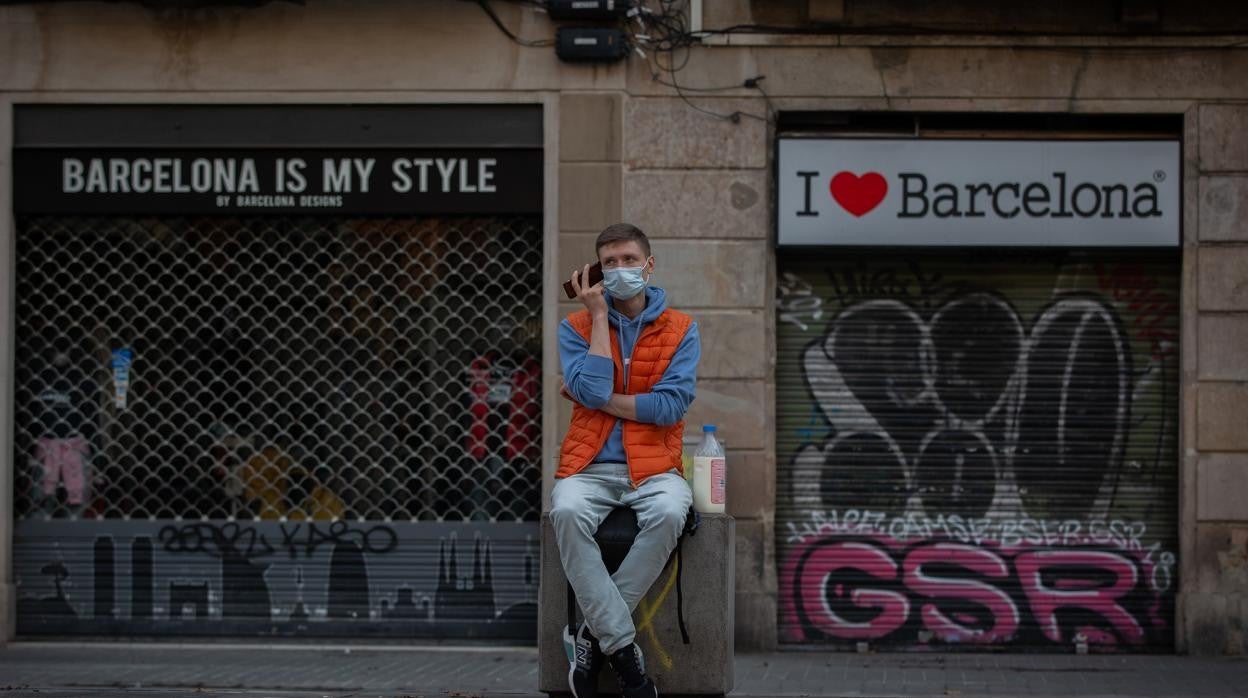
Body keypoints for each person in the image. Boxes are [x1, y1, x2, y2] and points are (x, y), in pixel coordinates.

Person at [553, 223, 700, 698]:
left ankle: (593, 638)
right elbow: (594, 389)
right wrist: (597, 315)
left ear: (649, 265)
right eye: (609, 262)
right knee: (568, 510)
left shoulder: (681, 328)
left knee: (671, 512)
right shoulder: (574, 327)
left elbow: (671, 406)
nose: (620, 270)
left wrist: (598, 398)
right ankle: (622, 650)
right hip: (589, 465)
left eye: (629, 259)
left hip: (656, 467)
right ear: (596, 270)